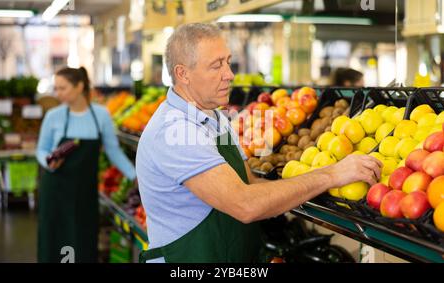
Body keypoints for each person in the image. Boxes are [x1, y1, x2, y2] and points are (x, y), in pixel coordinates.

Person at [136, 23, 382, 263]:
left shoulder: (215, 117)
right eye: (216, 66)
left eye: (228, 62)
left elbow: (249, 181)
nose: (229, 74)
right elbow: (245, 204)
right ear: (182, 74)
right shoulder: (175, 130)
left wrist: (317, 187)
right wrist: (331, 175)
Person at [36, 67, 136, 263]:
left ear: (79, 86)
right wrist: (49, 162)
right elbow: (41, 150)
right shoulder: (53, 116)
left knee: (82, 243)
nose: (58, 93)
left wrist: (134, 175)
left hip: (84, 193)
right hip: (55, 191)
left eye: (62, 88)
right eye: (56, 88)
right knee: (55, 243)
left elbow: (113, 151)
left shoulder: (101, 115)